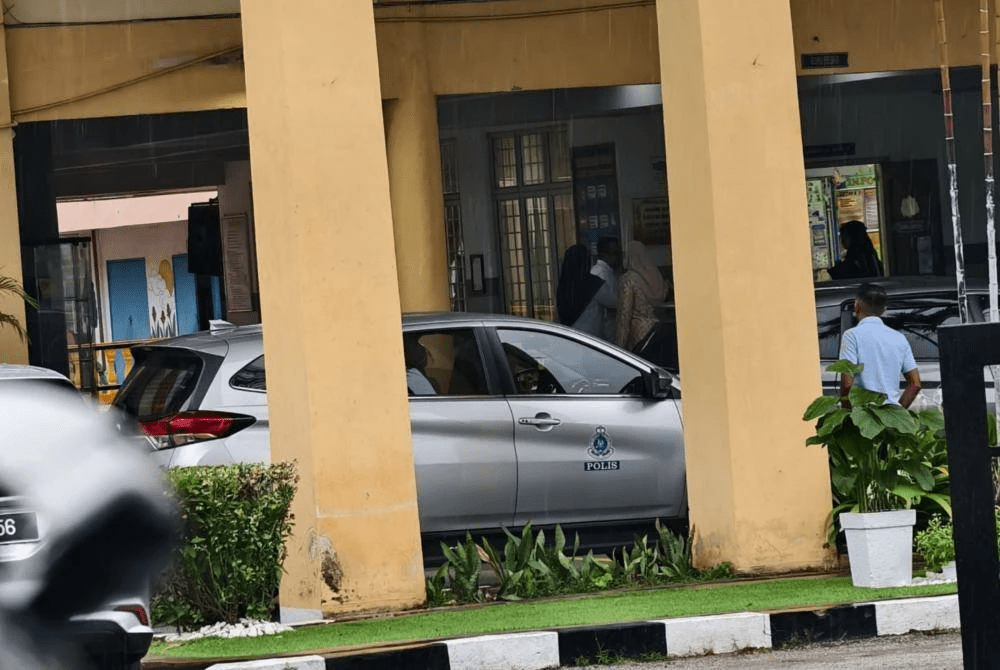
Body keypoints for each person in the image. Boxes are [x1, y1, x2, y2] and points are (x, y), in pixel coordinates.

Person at [839, 282, 921, 408]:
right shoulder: (899, 338)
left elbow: (847, 384)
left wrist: (850, 415)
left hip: (864, 416)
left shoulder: (851, 336)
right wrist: (897, 413)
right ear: (884, 309)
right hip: (890, 417)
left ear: (856, 305)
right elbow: (915, 384)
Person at [615, 241, 671, 363]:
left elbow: (624, 317)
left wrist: (618, 350)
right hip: (658, 331)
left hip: (638, 336)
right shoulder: (657, 277)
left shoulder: (628, 279)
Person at [556, 244, 615, 339]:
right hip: (590, 340)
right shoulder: (594, 283)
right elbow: (614, 302)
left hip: (569, 338)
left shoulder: (563, 286)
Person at [590, 237, 621, 340]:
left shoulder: (608, 271)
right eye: (615, 253)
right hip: (603, 325)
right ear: (604, 254)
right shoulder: (599, 272)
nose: (617, 257)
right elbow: (612, 301)